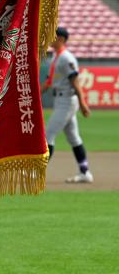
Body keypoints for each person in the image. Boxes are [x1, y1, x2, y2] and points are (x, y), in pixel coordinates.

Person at [41, 26, 92, 183]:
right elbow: (49, 83)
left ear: (61, 39)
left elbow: (75, 82)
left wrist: (83, 103)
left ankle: (36, 174)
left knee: (48, 135)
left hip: (67, 100)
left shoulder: (66, 58)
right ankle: (85, 172)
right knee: (74, 138)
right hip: (61, 100)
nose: (50, 39)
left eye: (53, 36)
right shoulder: (56, 58)